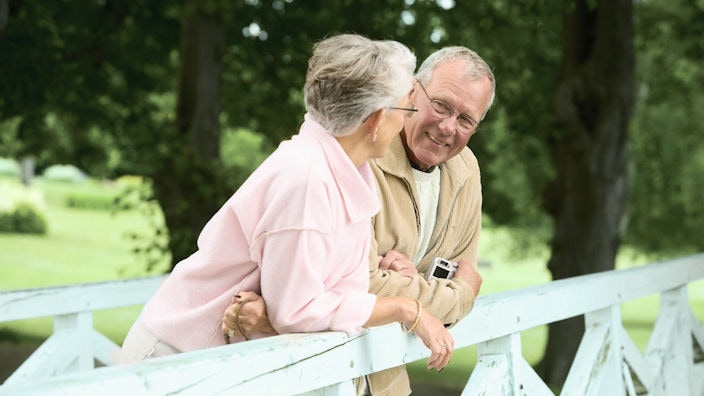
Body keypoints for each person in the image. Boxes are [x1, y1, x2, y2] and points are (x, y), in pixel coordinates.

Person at [118, 33, 456, 372]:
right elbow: (298, 312)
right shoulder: (306, 179)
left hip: (213, 364)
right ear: (375, 120)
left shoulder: (339, 170)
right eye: (405, 108)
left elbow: (322, 286)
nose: (406, 120)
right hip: (174, 360)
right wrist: (405, 308)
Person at [223, 45, 496, 395]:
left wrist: (412, 286)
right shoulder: (360, 155)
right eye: (441, 105)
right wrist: (458, 297)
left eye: (466, 119)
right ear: (413, 90)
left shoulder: (466, 170)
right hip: (308, 373)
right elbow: (358, 287)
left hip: (385, 377)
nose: (447, 127)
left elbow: (447, 274)